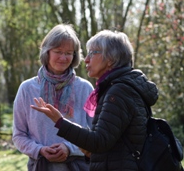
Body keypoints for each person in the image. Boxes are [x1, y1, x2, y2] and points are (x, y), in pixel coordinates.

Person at [31, 30, 159, 171]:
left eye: (92, 53)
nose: (86, 59)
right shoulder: (117, 88)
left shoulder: (119, 91)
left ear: (110, 59)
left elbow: (99, 142)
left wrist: (59, 121)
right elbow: (109, 143)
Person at [12, 24, 94, 171]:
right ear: (47, 52)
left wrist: (69, 148)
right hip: (40, 165)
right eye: (58, 51)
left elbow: (95, 134)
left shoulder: (85, 88)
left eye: (69, 53)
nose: (63, 58)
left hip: (78, 166)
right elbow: (19, 135)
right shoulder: (27, 89)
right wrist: (40, 150)